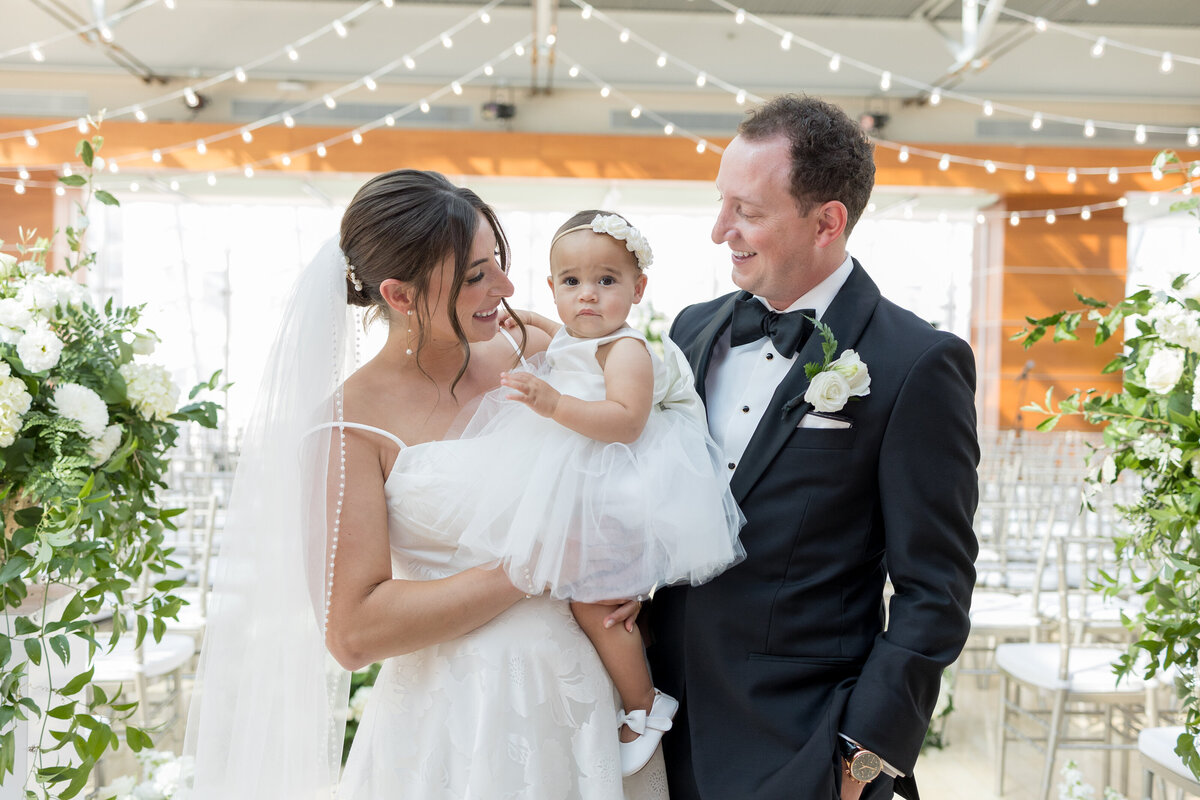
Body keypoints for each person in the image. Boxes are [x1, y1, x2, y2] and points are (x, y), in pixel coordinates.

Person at [182, 170, 669, 799]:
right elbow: (353, 632)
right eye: (474, 276)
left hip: (590, 702)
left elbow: (628, 457)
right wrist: (532, 566)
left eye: (497, 261)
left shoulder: (535, 344)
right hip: (462, 724)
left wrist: (634, 569)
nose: (506, 287)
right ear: (400, 295)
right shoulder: (345, 426)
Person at [646, 94, 979, 800]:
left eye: (748, 212)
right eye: (720, 203)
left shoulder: (917, 362)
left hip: (801, 748)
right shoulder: (692, 330)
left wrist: (862, 757)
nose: (718, 231)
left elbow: (936, 590)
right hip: (659, 730)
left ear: (828, 221)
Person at [421, 209, 744, 776]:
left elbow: (625, 421)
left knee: (596, 606)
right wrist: (503, 315)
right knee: (573, 590)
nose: (587, 296)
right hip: (593, 483)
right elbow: (544, 328)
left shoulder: (627, 351)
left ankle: (645, 706)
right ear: (553, 288)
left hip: (624, 489)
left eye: (607, 281)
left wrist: (551, 403)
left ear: (638, 288)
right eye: (571, 283)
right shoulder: (573, 336)